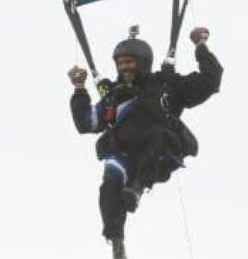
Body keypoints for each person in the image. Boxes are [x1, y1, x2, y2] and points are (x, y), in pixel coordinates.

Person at [68, 26, 223, 258]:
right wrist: (80, 89)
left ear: (142, 62)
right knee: (110, 183)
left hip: (158, 153)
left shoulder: (166, 86)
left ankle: (137, 188)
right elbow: (86, 123)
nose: (124, 68)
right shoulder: (114, 94)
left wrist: (201, 47)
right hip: (124, 155)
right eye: (120, 64)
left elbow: (210, 81)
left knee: (157, 135)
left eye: (129, 63)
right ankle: (116, 241)